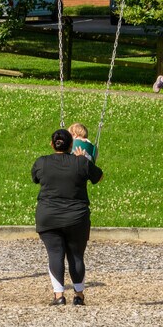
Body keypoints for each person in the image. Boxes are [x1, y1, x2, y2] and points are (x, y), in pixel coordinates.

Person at [31, 129, 104, 306]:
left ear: (51, 144)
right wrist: (84, 159)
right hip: (76, 217)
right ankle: (78, 295)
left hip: (48, 216)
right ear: (72, 145)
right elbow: (99, 177)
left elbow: (35, 178)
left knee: (55, 253)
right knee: (76, 255)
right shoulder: (81, 163)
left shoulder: (42, 162)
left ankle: (59, 296)